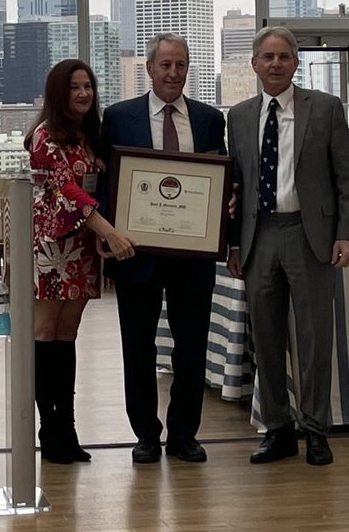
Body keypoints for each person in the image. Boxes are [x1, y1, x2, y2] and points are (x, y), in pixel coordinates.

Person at [227, 26, 349, 467]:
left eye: (284, 56)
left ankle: (316, 431)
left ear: (296, 63)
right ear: (254, 63)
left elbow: (346, 179)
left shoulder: (324, 108)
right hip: (259, 236)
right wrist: (232, 244)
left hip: (310, 236)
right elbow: (237, 186)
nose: (276, 63)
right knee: (265, 338)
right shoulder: (240, 116)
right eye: (268, 57)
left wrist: (346, 233)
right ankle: (278, 429)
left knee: (314, 337)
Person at [100, 33, 226, 465]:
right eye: (166, 65)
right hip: (137, 256)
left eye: (182, 65)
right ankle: (146, 436)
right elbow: (105, 184)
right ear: (150, 68)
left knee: (191, 349)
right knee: (138, 350)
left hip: (194, 257)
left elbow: (222, 180)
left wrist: (226, 199)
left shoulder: (210, 120)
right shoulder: (118, 117)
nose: (174, 73)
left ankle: (185, 435)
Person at [27, 58, 135, 465]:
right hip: (51, 247)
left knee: (67, 336)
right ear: (59, 92)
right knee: (44, 332)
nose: (83, 94)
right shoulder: (43, 137)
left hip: (83, 248)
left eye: (88, 86)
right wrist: (110, 232)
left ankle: (67, 427)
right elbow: (68, 190)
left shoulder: (88, 136)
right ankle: (48, 428)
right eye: (74, 87)